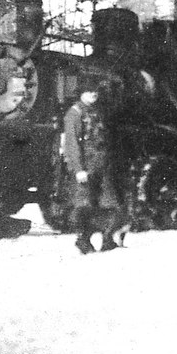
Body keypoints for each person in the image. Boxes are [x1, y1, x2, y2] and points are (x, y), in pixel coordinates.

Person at [64, 76, 128, 254]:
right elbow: (72, 143)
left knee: (109, 203)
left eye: (95, 91)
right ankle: (83, 241)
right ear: (82, 93)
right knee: (85, 206)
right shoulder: (74, 113)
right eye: (89, 91)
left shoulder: (97, 111)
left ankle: (107, 239)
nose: (93, 94)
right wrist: (78, 169)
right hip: (86, 166)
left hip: (102, 164)